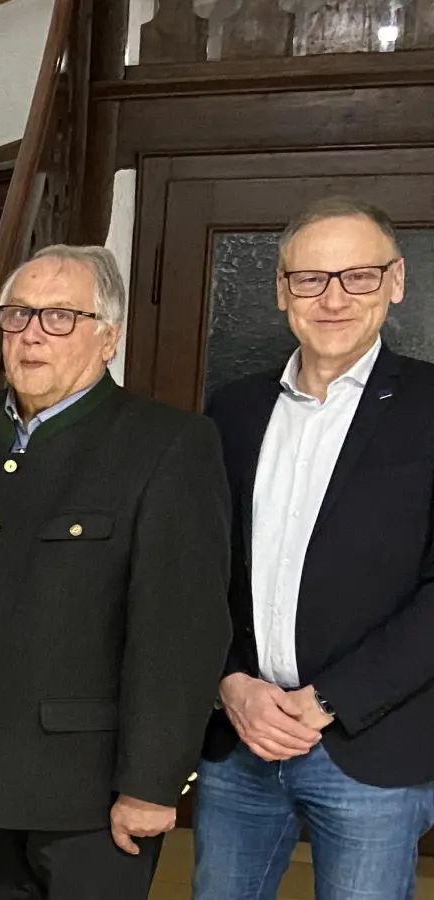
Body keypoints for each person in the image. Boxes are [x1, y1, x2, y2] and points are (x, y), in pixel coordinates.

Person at [0, 244, 232, 900]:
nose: (31, 336)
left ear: (109, 337)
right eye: (18, 315)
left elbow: (179, 635)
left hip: (90, 788)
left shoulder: (167, 444)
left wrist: (150, 784)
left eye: (59, 318)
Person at [194, 197, 434, 900]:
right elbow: (199, 568)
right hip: (239, 740)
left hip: (371, 749)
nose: (333, 299)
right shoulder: (232, 411)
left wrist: (328, 700)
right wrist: (230, 681)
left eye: (357, 277)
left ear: (396, 282)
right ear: (280, 291)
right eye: (310, 279)